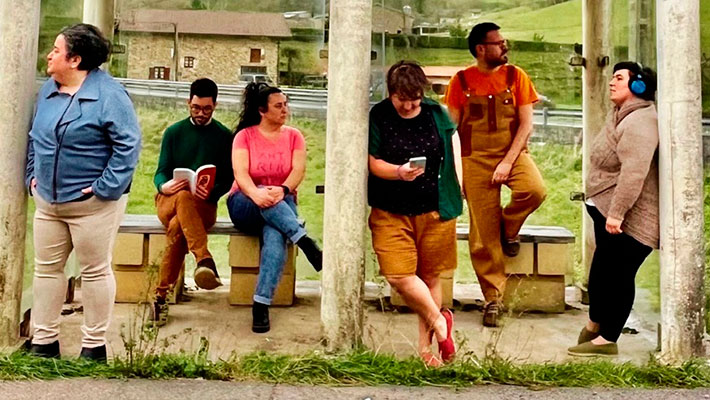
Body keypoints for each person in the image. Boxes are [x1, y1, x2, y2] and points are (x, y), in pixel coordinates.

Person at [25, 24, 141, 361]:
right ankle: (44, 342)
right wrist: (32, 176)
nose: (49, 55)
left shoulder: (110, 96)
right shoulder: (48, 90)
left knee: (94, 270)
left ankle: (93, 346)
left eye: (56, 50)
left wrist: (104, 188)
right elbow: (35, 137)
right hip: (48, 203)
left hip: (93, 206)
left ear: (75, 60)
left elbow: (128, 147)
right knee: (46, 270)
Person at [445, 22, 546, 327]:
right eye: (499, 43)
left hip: (512, 154)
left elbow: (526, 125)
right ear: (481, 49)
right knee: (482, 235)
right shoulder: (460, 81)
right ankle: (493, 299)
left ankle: (508, 229)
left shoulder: (517, 77)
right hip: (474, 160)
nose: (505, 47)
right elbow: (451, 130)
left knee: (534, 190)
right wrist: (454, 172)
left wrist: (507, 162)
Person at [368, 61, 461, 366]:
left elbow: (452, 148)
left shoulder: (436, 113)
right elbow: (372, 162)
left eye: (415, 99)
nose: (408, 106)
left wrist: (458, 187)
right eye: (401, 99)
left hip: (434, 209)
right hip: (390, 210)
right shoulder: (379, 115)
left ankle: (427, 350)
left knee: (430, 276)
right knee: (398, 275)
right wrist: (398, 172)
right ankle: (441, 322)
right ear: (390, 92)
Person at [568, 62, 658, 357]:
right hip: (608, 212)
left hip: (630, 218)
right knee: (602, 271)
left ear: (638, 86)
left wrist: (617, 213)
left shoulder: (641, 121)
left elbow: (634, 172)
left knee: (619, 275)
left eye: (619, 78)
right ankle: (595, 324)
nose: (611, 82)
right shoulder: (622, 114)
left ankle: (608, 338)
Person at [227, 82, 322, 333]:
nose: (285, 110)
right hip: (244, 201)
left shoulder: (294, 136)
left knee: (275, 237)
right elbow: (240, 173)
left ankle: (261, 304)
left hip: (282, 199)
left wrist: (282, 190)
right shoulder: (244, 136)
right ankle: (304, 241)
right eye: (278, 106)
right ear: (262, 110)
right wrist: (256, 194)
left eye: (286, 105)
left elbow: (298, 170)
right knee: (270, 207)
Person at [151, 78, 234, 326]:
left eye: (206, 109)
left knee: (178, 227)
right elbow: (160, 171)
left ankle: (160, 298)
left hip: (203, 206)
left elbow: (228, 179)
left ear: (215, 105)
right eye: (196, 107)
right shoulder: (174, 132)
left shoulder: (223, 136)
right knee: (183, 196)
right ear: (189, 102)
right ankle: (204, 259)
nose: (200, 113)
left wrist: (211, 192)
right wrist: (163, 186)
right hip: (170, 199)